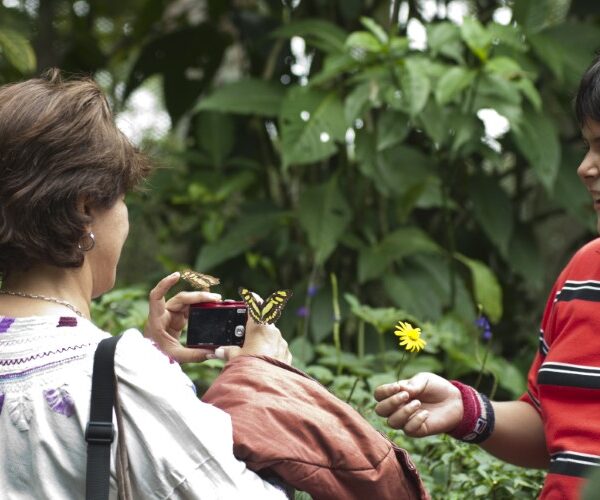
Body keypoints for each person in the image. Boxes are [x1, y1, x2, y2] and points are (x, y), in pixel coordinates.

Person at [0, 70, 425, 499]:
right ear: (86, 208)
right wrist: (262, 380)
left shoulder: (118, 372)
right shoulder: (120, 375)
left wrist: (147, 364)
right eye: (124, 197)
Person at [373, 54, 600, 499]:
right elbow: (550, 425)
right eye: (589, 146)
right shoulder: (582, 273)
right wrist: (468, 411)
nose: (586, 167)